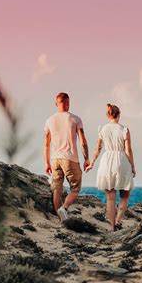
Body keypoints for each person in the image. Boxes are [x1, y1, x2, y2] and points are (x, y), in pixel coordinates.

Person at [86, 104, 136, 231]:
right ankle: (119, 220)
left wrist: (92, 163)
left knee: (110, 198)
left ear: (107, 116)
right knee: (125, 195)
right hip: (122, 161)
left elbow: (97, 148)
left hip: (107, 161)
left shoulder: (103, 129)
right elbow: (128, 150)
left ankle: (112, 226)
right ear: (119, 115)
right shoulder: (124, 129)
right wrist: (133, 166)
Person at [44, 92, 90, 221]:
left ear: (56, 104)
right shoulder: (75, 119)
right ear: (68, 103)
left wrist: (47, 162)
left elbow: (46, 145)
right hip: (70, 158)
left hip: (54, 159)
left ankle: (61, 220)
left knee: (57, 189)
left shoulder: (49, 120)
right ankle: (64, 208)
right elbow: (83, 141)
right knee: (75, 188)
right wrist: (86, 158)